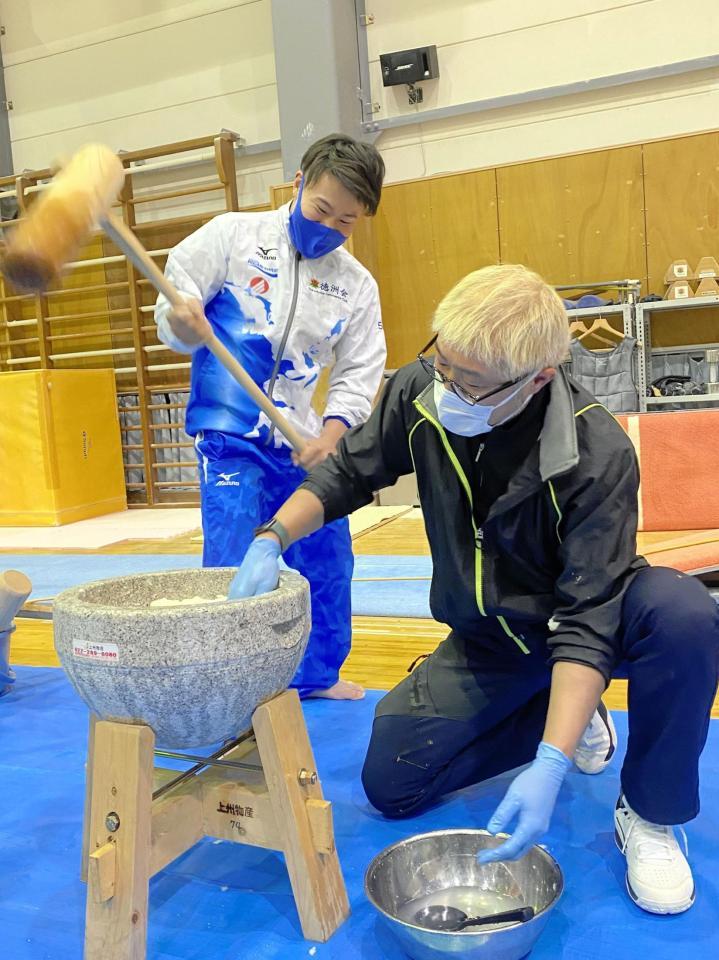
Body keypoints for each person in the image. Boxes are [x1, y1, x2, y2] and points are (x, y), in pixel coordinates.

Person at [229, 263, 719, 915]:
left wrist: (548, 765)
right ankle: (570, 718)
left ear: (537, 377)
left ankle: (650, 813)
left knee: (682, 614)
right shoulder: (421, 391)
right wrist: (271, 538)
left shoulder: (594, 452)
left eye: (470, 381)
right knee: (391, 783)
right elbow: (349, 471)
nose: (448, 386)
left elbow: (585, 620)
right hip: (489, 637)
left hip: (587, 627)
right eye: (443, 365)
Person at [154, 133, 386, 700]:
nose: (329, 227)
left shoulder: (355, 285)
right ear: (300, 183)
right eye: (321, 210)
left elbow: (361, 370)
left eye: (346, 222)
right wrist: (181, 323)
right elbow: (175, 303)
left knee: (326, 554)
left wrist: (333, 435)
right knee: (234, 552)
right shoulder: (232, 236)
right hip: (229, 430)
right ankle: (230, 681)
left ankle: (316, 675)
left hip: (301, 438)